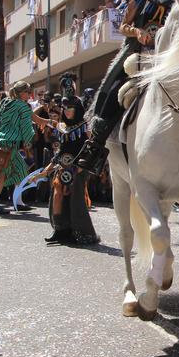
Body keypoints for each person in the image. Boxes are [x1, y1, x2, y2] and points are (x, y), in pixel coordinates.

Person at [76, 0, 179, 174]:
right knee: (111, 86)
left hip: (169, 54)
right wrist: (137, 32)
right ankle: (95, 144)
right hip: (137, 52)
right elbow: (124, 26)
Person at [0, 81, 50, 215]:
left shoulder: (5, 102)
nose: (29, 94)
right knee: (6, 174)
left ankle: (17, 202)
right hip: (9, 144)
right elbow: (31, 123)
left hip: (2, 142)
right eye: (27, 92)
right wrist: (29, 139)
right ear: (20, 92)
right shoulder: (22, 106)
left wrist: (46, 122)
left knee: (18, 172)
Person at [45, 96, 99, 245]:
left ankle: (80, 232)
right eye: (65, 108)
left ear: (77, 109)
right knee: (57, 194)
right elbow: (61, 150)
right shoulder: (63, 127)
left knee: (75, 198)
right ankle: (60, 230)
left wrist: (83, 166)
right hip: (63, 166)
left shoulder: (85, 126)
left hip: (79, 167)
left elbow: (93, 147)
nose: (67, 111)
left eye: (70, 108)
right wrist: (50, 166)